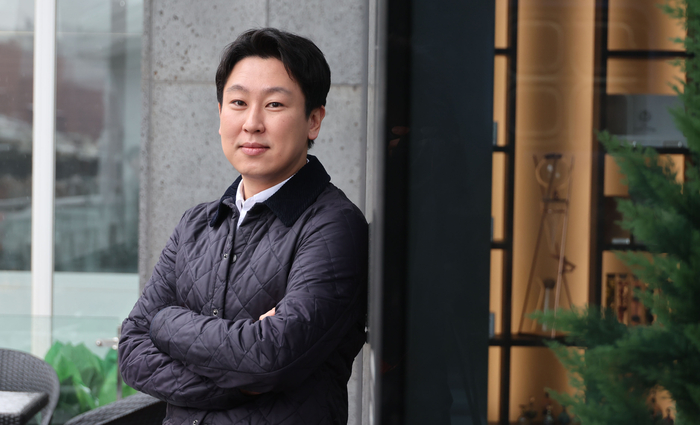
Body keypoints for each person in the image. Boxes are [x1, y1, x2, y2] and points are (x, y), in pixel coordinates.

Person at [118, 28, 368, 425]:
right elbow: (132, 350)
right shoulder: (196, 225)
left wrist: (164, 322)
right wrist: (241, 375)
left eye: (274, 104)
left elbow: (270, 359)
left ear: (313, 120)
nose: (252, 123)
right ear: (220, 115)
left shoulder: (334, 227)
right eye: (238, 103)